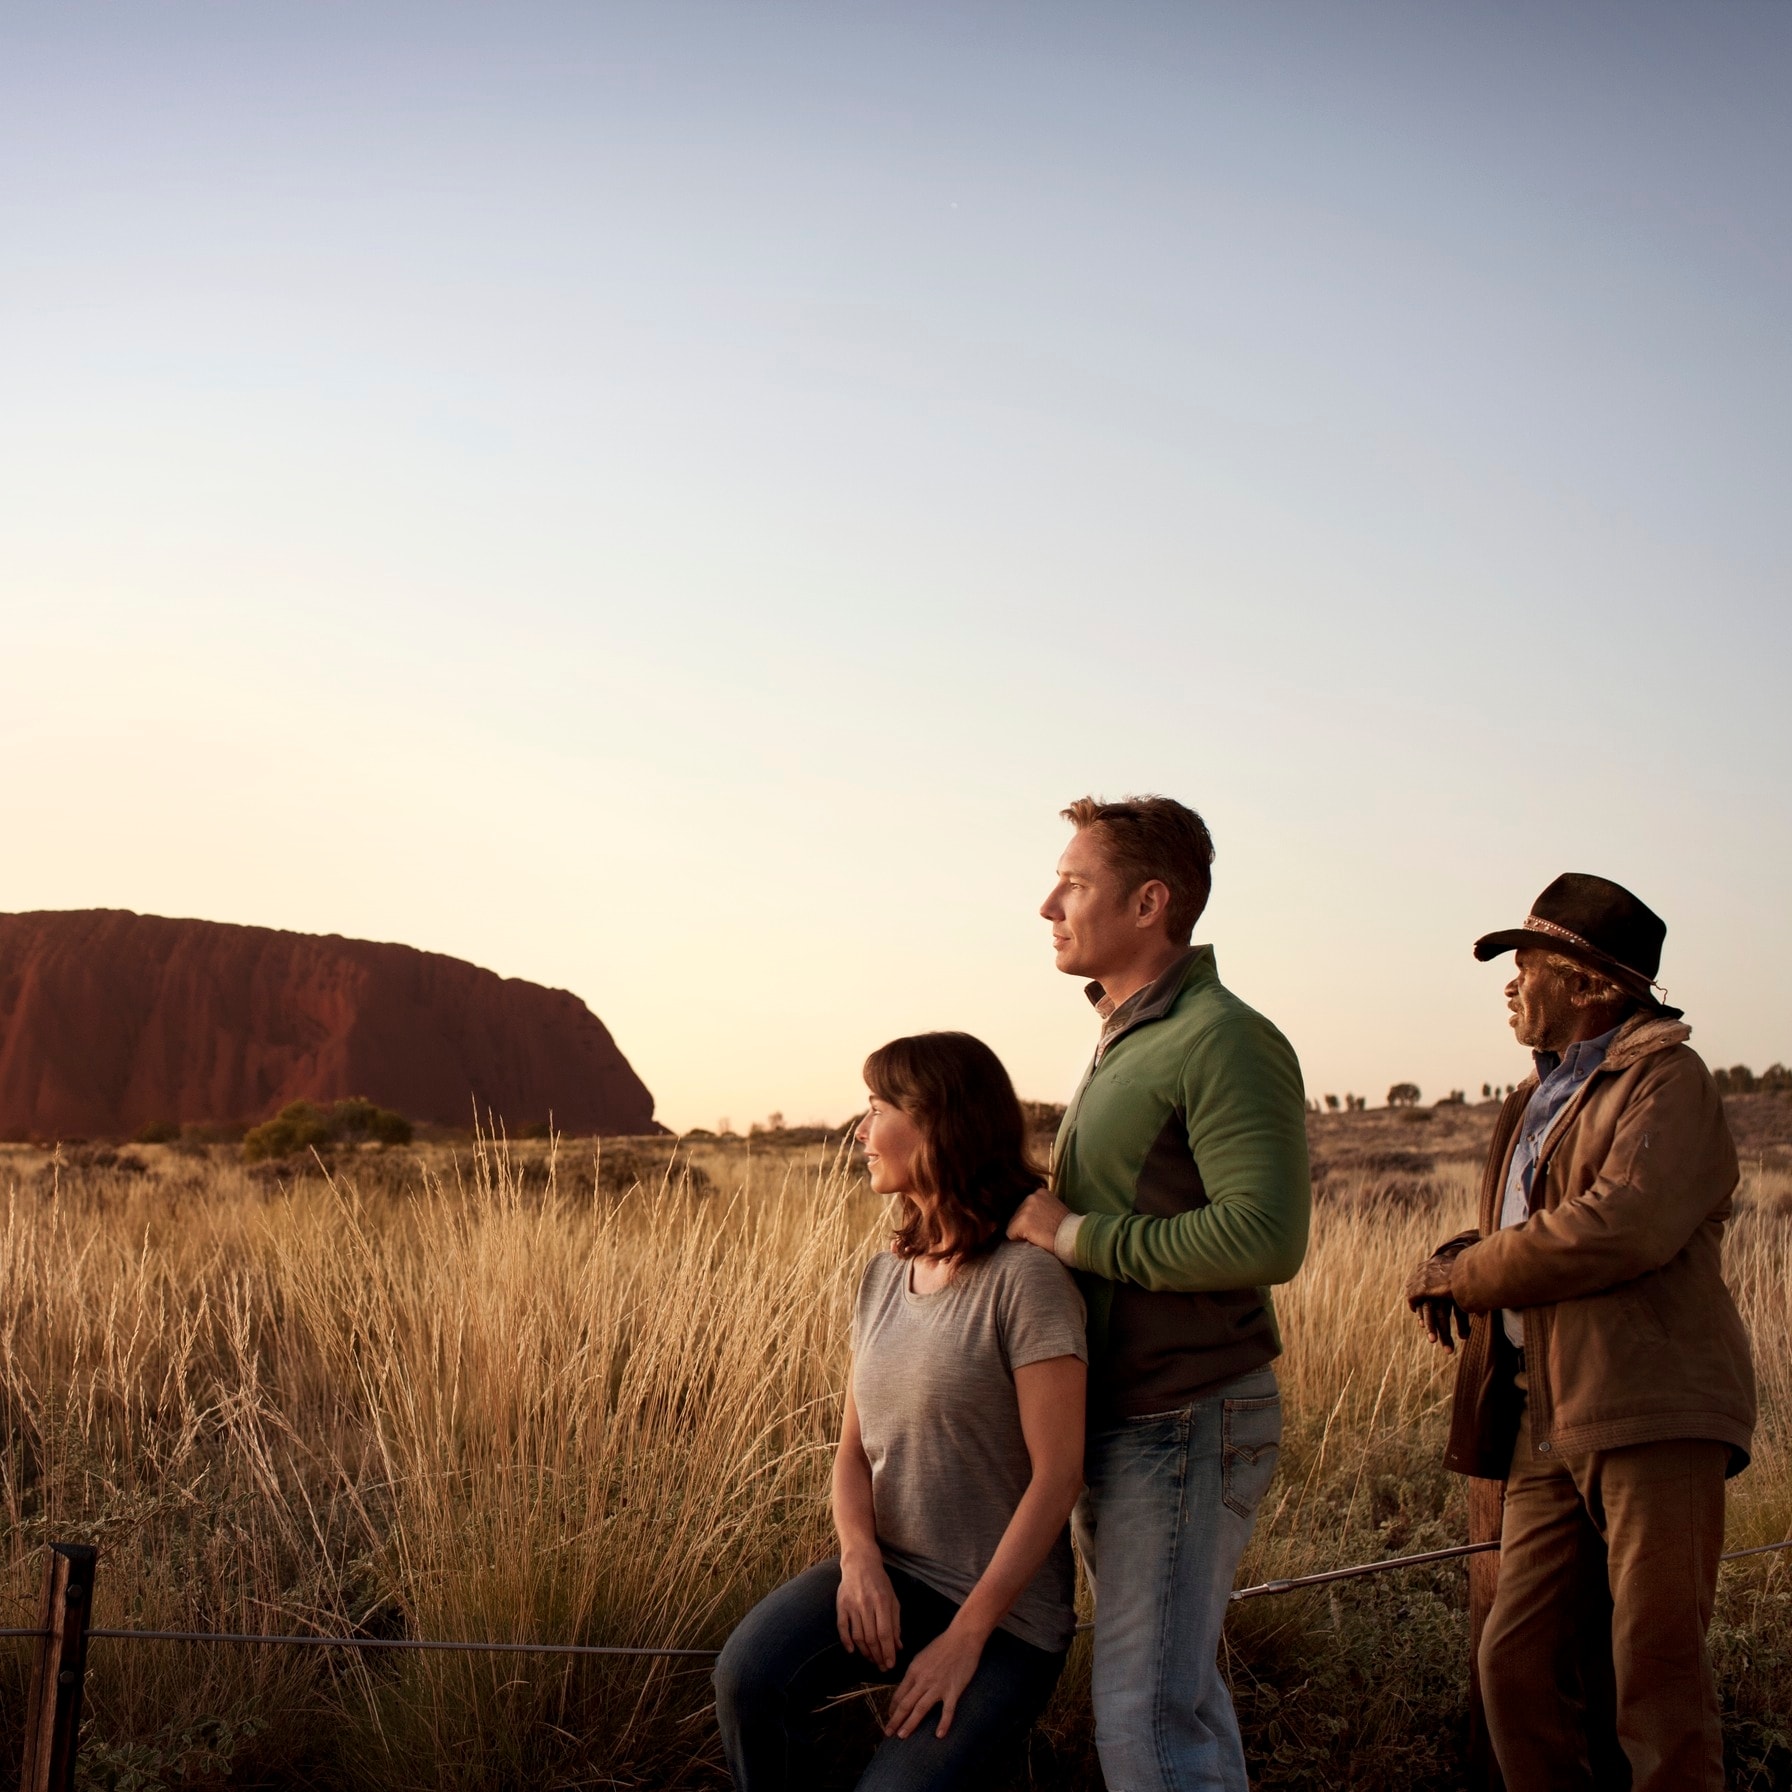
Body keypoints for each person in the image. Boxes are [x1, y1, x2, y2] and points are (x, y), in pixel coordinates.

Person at [1404, 872, 1755, 1792]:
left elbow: (1622, 1224)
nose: (1511, 984)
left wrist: (1469, 1274)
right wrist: (1468, 1254)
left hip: (1650, 1408)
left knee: (1657, 1680)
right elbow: (1545, 1223)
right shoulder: (1531, 1102)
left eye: (1530, 965)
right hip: (1543, 1416)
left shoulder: (1668, 1081)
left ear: (1594, 985)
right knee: (1512, 1666)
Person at [1006, 795, 1311, 1792]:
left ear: (1148, 902)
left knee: (1145, 1725)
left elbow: (1265, 1235)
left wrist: (1074, 1233)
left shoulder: (1222, 1037)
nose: (1047, 903)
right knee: (1169, 1707)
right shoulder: (1126, 1035)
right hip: (1135, 1419)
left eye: (1074, 883)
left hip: (1184, 1419)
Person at [714, 1031, 1088, 1791]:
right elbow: (853, 1452)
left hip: (1004, 1618)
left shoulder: (1028, 1282)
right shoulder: (884, 1275)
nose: (860, 1131)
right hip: (895, 1574)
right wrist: (859, 1563)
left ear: (940, 1122)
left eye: (878, 1106)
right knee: (748, 1676)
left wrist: (965, 1637)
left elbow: (1059, 1476)